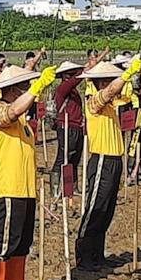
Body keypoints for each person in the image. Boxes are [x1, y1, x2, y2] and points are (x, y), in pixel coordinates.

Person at [0, 64, 56, 280]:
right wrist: (36, 88)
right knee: (5, 241)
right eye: (24, 86)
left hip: (26, 188)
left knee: (22, 241)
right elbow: (11, 112)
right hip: (7, 187)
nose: (28, 90)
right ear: (12, 89)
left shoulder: (23, 121)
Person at [76, 59, 141, 271]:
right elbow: (110, 91)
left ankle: (98, 254)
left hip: (114, 160)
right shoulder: (94, 101)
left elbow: (128, 96)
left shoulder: (112, 104)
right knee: (95, 209)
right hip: (102, 160)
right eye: (106, 80)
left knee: (107, 210)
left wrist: (133, 80)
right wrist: (125, 75)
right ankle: (84, 256)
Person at [50, 61, 85, 199]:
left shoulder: (74, 91)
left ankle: (71, 187)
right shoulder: (62, 88)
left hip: (77, 126)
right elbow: (76, 80)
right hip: (66, 126)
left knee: (75, 158)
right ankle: (56, 189)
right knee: (63, 157)